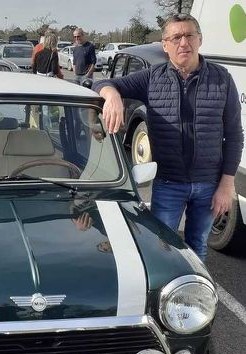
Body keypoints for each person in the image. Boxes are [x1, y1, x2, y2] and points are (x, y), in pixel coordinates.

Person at [93, 13, 244, 261]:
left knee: (197, 246)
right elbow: (102, 84)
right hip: (168, 184)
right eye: (176, 37)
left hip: (209, 184)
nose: (183, 43)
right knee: (161, 247)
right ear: (165, 45)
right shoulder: (152, 78)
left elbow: (235, 135)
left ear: (200, 40)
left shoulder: (222, 79)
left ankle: (194, 286)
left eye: (189, 35)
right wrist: (112, 96)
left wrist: (227, 185)